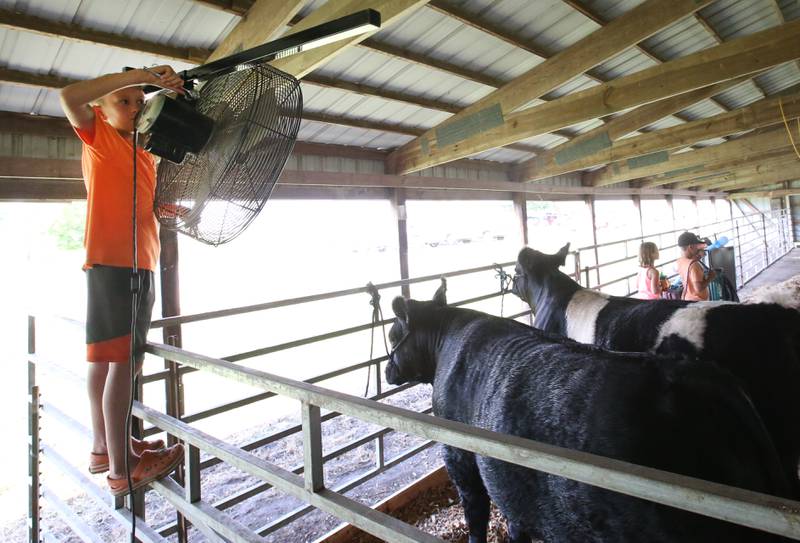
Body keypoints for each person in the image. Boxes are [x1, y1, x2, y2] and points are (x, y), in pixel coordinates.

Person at [60, 66, 185, 496]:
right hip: (121, 266)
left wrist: (159, 209)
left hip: (123, 263)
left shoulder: (143, 153)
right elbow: (68, 95)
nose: (133, 109)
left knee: (103, 359)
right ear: (103, 107)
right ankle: (122, 469)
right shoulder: (100, 138)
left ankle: (103, 446)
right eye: (123, 101)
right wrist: (141, 75)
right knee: (124, 363)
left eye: (138, 102)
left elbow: (136, 202)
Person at [676, 231, 716, 301]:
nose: (697, 248)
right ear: (691, 247)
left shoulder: (680, 261)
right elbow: (698, 288)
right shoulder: (694, 265)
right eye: (696, 246)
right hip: (698, 302)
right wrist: (710, 277)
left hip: (687, 298)